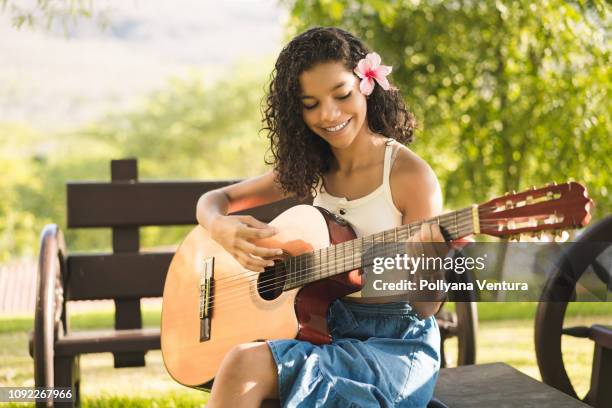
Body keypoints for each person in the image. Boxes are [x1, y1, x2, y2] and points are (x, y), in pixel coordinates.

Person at [196, 26, 448, 408]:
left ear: (367, 86)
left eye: (342, 95)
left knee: (242, 365)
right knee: (241, 364)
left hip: (394, 345)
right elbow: (216, 200)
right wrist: (221, 227)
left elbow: (427, 308)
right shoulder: (312, 167)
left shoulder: (410, 177)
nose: (328, 115)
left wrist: (429, 263)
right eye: (310, 104)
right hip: (323, 327)